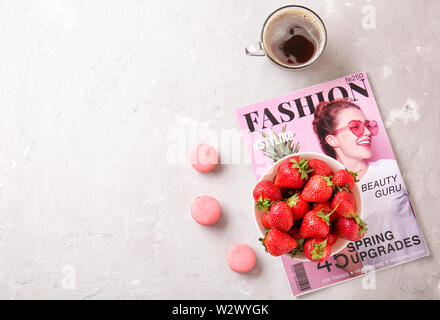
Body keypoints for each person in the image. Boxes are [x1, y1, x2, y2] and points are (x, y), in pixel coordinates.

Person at [312, 98, 427, 270]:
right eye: (356, 127)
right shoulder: (325, 194)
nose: (367, 132)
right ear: (332, 140)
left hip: (424, 265)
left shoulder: (391, 169)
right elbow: (347, 261)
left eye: (368, 126)